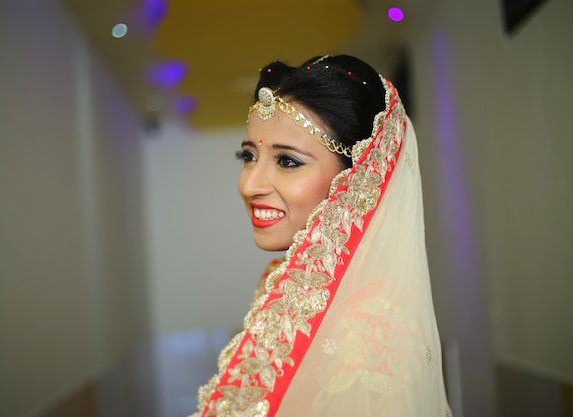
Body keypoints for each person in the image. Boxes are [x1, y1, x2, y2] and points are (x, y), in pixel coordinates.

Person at [191, 55, 452, 417]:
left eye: (287, 161)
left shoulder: (371, 335)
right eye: (248, 155)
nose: (249, 184)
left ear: (357, 177)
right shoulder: (281, 283)